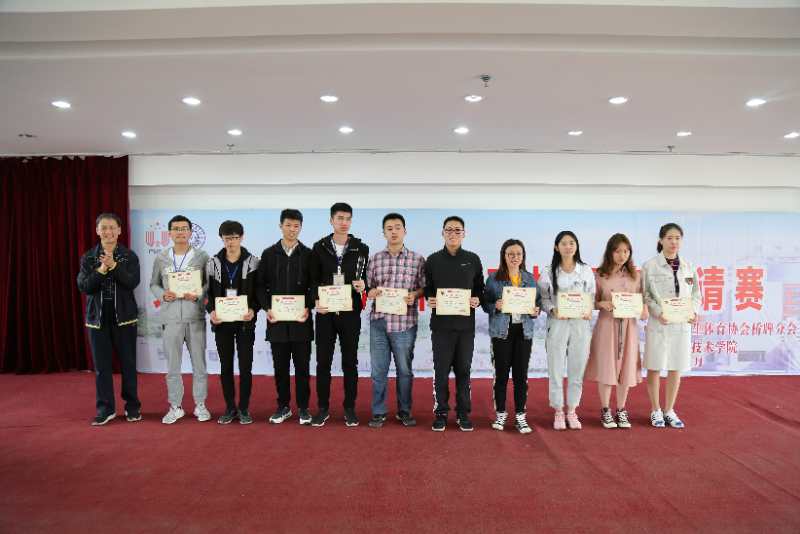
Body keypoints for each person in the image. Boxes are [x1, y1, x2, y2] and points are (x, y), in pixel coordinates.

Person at [77, 213, 141, 426]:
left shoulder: (129, 256)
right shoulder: (88, 257)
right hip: (97, 320)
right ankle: (106, 409)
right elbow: (85, 286)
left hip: (125, 319)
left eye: (112, 227)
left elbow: (132, 282)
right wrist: (102, 269)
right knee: (102, 368)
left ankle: (132, 406)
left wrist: (114, 265)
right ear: (97, 231)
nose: (108, 232)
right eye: (104, 228)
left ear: (119, 230)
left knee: (128, 365)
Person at [310, 203, 370, 427]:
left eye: (347, 219)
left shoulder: (361, 248)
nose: (344, 223)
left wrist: (364, 285)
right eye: (340, 218)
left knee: (350, 361)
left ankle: (349, 408)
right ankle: (322, 408)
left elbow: (367, 278)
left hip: (350, 312)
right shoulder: (319, 247)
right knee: (323, 361)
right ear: (331, 220)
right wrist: (316, 300)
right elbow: (312, 280)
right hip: (325, 312)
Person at [365, 213, 426, 428]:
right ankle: (378, 411)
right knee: (378, 371)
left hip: (404, 323)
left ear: (405, 231)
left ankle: (404, 411)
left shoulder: (417, 259)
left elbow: (424, 287)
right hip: (379, 322)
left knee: (404, 370)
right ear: (383, 233)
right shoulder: (375, 259)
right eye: (389, 228)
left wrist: (415, 295)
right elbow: (368, 287)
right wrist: (371, 292)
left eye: (397, 227)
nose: (393, 231)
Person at [425, 215, 484, 432]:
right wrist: (430, 298)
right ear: (442, 233)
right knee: (441, 371)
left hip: (465, 327)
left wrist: (477, 299)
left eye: (457, 230)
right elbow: (428, 287)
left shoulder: (473, 259)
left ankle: (462, 413)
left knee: (463, 370)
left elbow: (480, 287)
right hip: (441, 326)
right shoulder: (433, 260)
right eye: (449, 230)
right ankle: (441, 412)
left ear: (464, 234)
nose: (453, 233)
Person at [149, 215, 211, 425]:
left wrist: (199, 294)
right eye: (176, 229)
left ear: (190, 232)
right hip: (171, 319)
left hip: (195, 318)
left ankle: (200, 404)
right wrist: (162, 295)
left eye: (184, 229)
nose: (180, 232)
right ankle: (175, 406)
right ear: (170, 233)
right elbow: (154, 284)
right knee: (173, 367)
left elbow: (209, 284)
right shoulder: (161, 258)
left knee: (199, 365)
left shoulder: (202, 257)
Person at [257, 209, 314, 425]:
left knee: (302, 368)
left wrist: (308, 306)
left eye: (296, 226)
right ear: (280, 226)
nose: (292, 229)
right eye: (288, 225)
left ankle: (303, 408)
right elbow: (260, 286)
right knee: (280, 368)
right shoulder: (269, 254)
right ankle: (283, 407)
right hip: (277, 321)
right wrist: (267, 308)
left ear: (301, 227)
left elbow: (314, 285)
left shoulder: (308, 254)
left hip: (301, 321)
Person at [642, 223, 701, 428]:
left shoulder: (688, 266)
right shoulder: (650, 266)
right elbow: (646, 295)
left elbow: (696, 294)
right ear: (661, 240)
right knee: (655, 366)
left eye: (677, 238)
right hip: (659, 323)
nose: (674, 242)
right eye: (669, 238)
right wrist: (658, 312)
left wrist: (693, 311)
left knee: (676, 366)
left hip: (681, 324)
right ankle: (655, 409)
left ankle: (669, 410)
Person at [585, 233, 647, 429]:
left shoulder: (636, 276)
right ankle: (605, 409)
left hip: (629, 327)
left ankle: (621, 409)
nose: (622, 255)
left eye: (626, 251)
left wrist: (643, 309)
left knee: (626, 368)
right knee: (606, 367)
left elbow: (643, 300)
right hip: (606, 326)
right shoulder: (599, 275)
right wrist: (601, 303)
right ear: (610, 252)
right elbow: (590, 301)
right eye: (618, 251)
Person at [538, 230, 596, 430]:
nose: (568, 246)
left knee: (577, 369)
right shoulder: (549, 271)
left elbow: (591, 296)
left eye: (572, 243)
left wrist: (588, 309)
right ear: (557, 247)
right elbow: (543, 298)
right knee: (555, 369)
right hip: (557, 323)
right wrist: (552, 309)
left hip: (580, 325)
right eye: (564, 243)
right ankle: (558, 411)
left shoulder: (585, 270)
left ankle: (572, 410)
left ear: (576, 246)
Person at [482, 239, 540, 434]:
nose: (515, 257)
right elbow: (485, 303)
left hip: (523, 331)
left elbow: (537, 303)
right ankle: (500, 413)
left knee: (521, 376)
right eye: (511, 254)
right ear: (504, 256)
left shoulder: (530, 279)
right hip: (502, 332)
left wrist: (536, 310)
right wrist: (494, 306)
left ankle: (520, 416)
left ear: (523, 256)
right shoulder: (493, 279)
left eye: (518, 254)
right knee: (501, 375)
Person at [206, 220, 260, 425]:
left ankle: (244, 408)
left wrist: (253, 309)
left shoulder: (253, 262)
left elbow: (259, 291)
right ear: (221, 238)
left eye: (235, 238)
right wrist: (211, 311)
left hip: (245, 323)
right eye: (227, 238)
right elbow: (207, 293)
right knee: (225, 366)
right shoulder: (213, 263)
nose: (231, 242)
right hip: (222, 323)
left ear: (242, 237)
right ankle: (230, 407)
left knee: (245, 367)